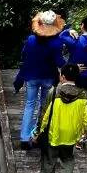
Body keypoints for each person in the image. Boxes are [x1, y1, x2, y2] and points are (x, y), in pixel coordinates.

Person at [13, 10, 70, 148]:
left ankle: (25, 138)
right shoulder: (56, 43)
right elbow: (59, 62)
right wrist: (71, 67)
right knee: (44, 106)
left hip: (31, 76)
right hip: (48, 77)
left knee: (29, 105)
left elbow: (24, 55)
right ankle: (38, 135)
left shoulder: (31, 39)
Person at [34, 63, 87, 173]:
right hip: (71, 137)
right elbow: (86, 118)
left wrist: (39, 132)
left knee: (49, 162)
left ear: (62, 77)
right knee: (68, 160)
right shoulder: (83, 95)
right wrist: (84, 133)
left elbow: (45, 115)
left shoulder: (54, 92)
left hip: (54, 134)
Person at [71, 14, 87, 90]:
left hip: (80, 76)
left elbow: (62, 36)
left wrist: (70, 30)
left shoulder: (75, 41)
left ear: (82, 25)